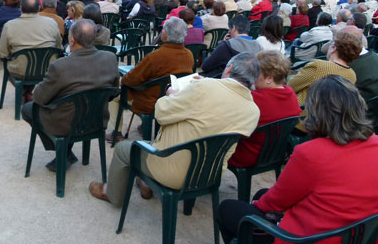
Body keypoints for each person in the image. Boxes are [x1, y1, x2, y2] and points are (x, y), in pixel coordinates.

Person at [218, 75, 378, 244]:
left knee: (228, 209)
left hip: (312, 242)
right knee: (262, 194)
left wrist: (259, 207)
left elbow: (275, 202)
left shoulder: (312, 153)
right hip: (360, 241)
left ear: (316, 112)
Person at [90, 52, 261, 206]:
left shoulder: (204, 87)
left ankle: (111, 194)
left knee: (123, 149)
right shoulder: (253, 111)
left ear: (229, 68)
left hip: (172, 171)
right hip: (209, 175)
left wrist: (172, 95)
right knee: (157, 141)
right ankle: (145, 182)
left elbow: (161, 114)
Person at [21, 19, 119, 172]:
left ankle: (63, 150)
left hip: (66, 122)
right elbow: (113, 91)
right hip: (96, 119)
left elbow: (39, 98)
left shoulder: (60, 66)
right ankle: (65, 151)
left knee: (27, 109)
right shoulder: (110, 58)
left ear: (72, 40)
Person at [105, 18, 194, 142]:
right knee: (152, 85)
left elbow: (133, 79)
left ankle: (116, 132)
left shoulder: (156, 56)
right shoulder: (188, 54)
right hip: (173, 99)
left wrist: (122, 81)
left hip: (149, 102)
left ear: (165, 34)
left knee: (115, 96)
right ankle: (143, 125)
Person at [228, 51, 301, 168]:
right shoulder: (290, 93)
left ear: (269, 78)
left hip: (247, 154)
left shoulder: (255, 98)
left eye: (256, 73)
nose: (253, 76)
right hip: (275, 153)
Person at [288, 31, 360, 130]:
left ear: (334, 48)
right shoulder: (352, 74)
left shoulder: (318, 66)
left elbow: (290, 86)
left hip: (301, 120)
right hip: (328, 124)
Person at [0, 0, 62, 79]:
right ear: (39, 7)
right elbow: (58, 46)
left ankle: (25, 90)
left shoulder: (9, 25)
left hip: (20, 71)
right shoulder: (52, 23)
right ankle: (28, 90)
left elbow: (3, 53)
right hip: (47, 68)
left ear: (20, 8)